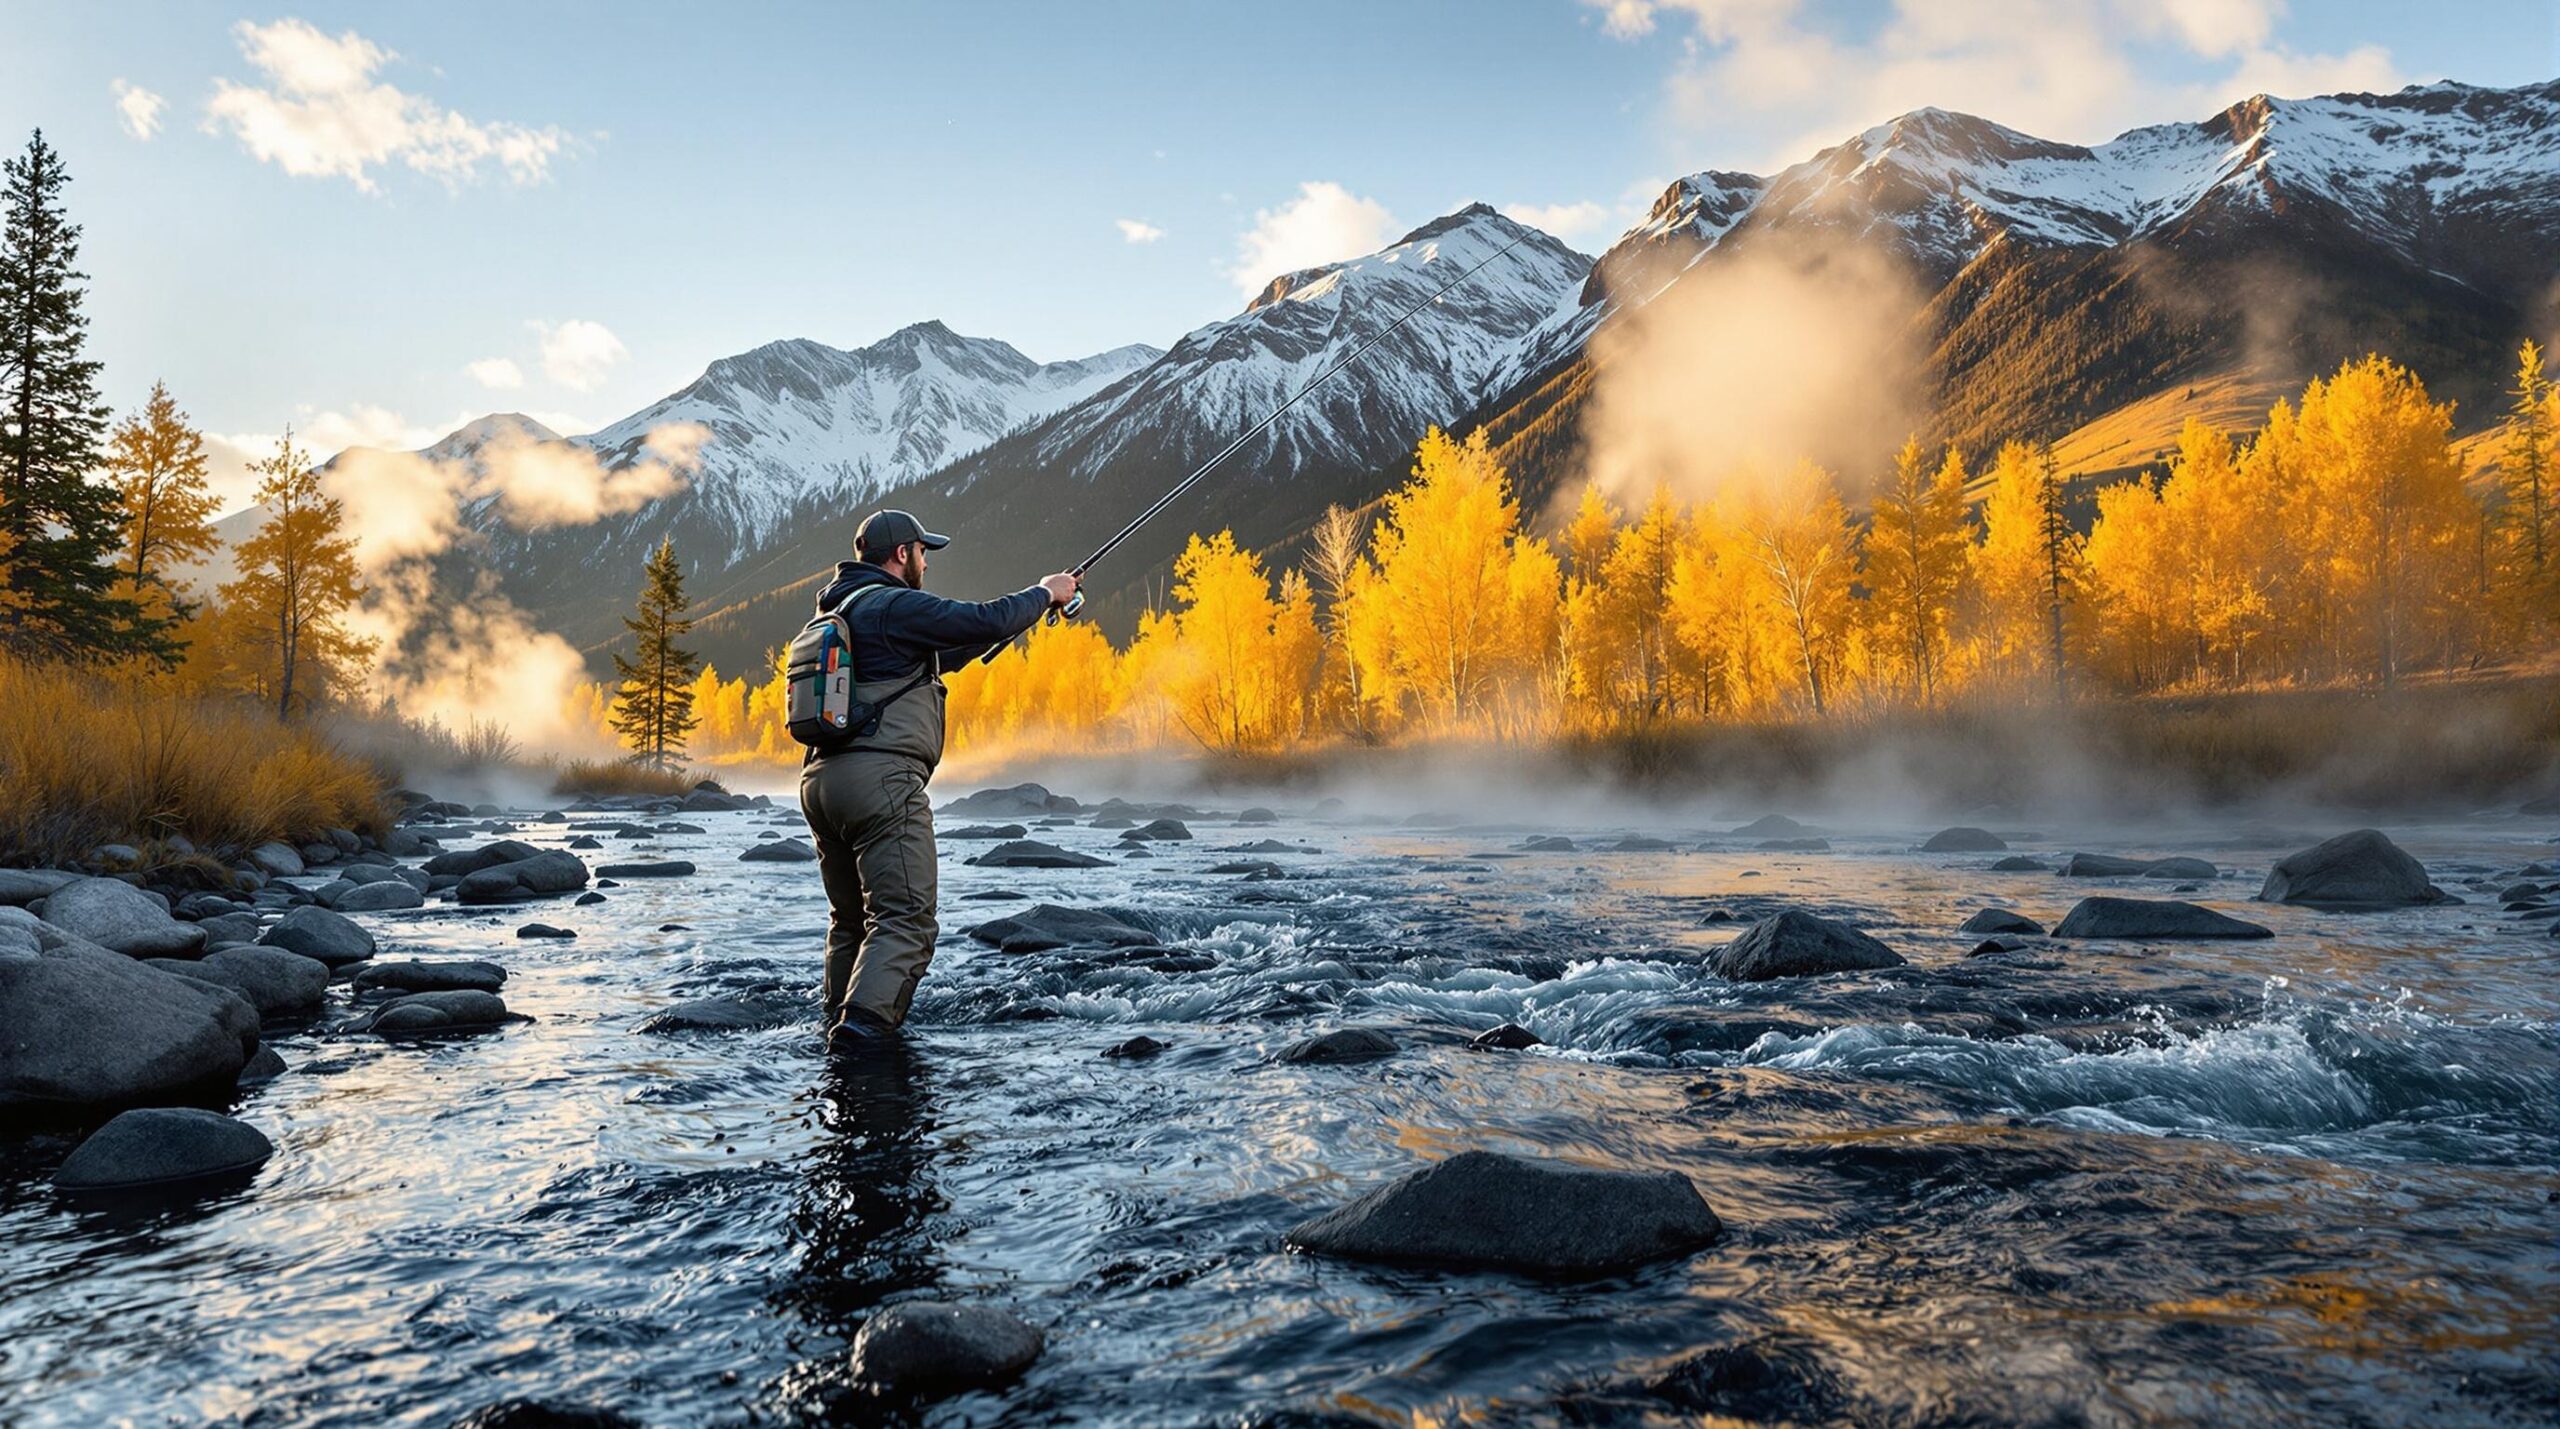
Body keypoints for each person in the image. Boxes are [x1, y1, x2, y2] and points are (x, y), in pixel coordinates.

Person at [800, 509, 1077, 1052]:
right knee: (905, 922)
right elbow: (979, 620)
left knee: (852, 923)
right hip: (880, 782)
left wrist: (1019, 620)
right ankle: (861, 1038)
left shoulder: (842, 611)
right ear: (902, 554)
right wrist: (1046, 593)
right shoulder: (894, 602)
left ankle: (833, 1027)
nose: (927, 562)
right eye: (923, 552)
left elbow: (943, 652)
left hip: (822, 782)